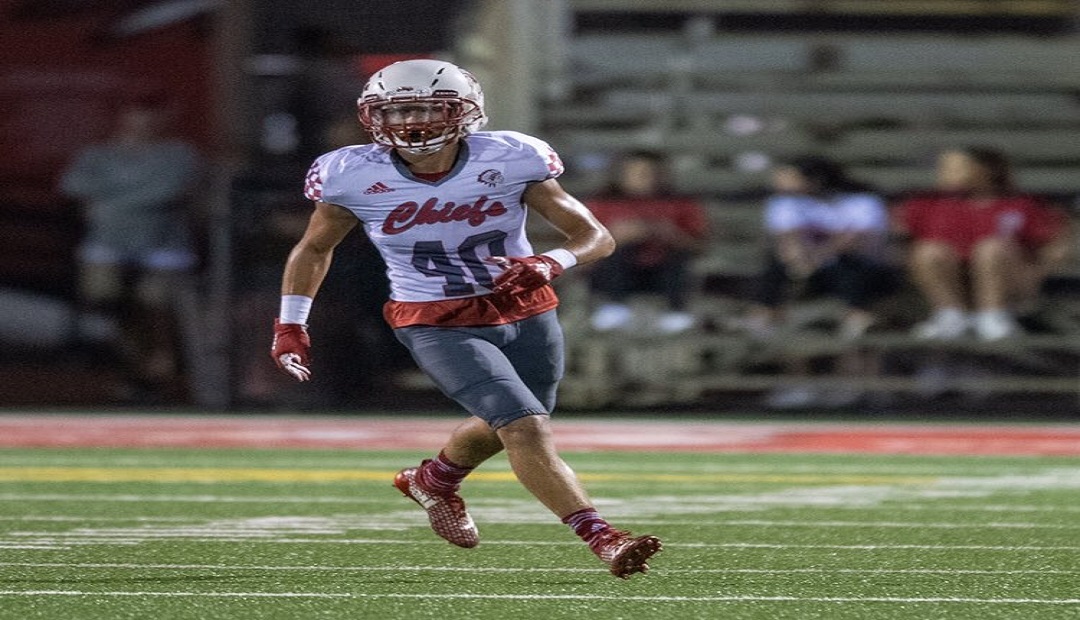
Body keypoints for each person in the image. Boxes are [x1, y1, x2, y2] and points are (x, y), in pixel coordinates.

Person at [269, 59, 662, 578]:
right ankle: (602, 537)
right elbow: (314, 249)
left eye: (426, 108)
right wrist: (291, 323)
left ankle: (433, 479)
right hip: (433, 316)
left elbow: (595, 237)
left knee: (512, 422)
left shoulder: (510, 157)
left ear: (463, 111)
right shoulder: (352, 173)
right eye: (397, 110)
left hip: (525, 309)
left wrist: (549, 262)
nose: (411, 123)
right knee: (525, 427)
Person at [58, 100, 203, 403]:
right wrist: (131, 199)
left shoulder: (177, 155)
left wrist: (109, 203)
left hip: (163, 244)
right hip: (108, 243)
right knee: (106, 299)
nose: (143, 123)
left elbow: (170, 189)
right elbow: (73, 186)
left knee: (156, 304)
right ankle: (137, 366)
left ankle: (160, 369)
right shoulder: (98, 155)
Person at [735, 156, 900, 408]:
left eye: (788, 178)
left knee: (847, 265)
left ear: (814, 181)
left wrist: (817, 256)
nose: (780, 184)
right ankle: (765, 311)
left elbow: (856, 241)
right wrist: (802, 261)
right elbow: (788, 241)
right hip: (810, 275)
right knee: (775, 266)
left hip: (864, 274)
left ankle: (857, 313)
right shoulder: (785, 203)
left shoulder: (861, 200)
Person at [894, 147, 1073, 341]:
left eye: (956, 168)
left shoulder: (1020, 204)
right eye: (943, 167)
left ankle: (993, 315)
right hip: (955, 280)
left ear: (984, 170)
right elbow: (903, 241)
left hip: (1009, 282)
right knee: (928, 251)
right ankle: (950, 314)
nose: (945, 173)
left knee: (991, 249)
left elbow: (1053, 245)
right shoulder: (928, 205)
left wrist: (1036, 274)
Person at [585, 151, 710, 333]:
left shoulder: (681, 204)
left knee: (677, 258)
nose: (647, 179)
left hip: (664, 269)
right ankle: (614, 307)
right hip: (615, 271)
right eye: (639, 173)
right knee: (617, 252)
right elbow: (579, 252)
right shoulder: (601, 204)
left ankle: (676, 312)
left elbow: (701, 246)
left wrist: (671, 235)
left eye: (653, 173)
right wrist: (615, 238)